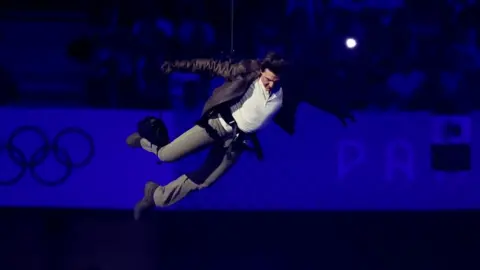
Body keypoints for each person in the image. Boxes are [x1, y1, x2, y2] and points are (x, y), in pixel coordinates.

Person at [127, 52, 354, 220]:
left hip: (235, 141)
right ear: (261, 71)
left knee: (206, 181)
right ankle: (144, 140)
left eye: (274, 82)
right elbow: (210, 65)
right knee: (167, 155)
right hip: (216, 125)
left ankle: (156, 196)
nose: (269, 85)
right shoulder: (246, 71)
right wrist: (177, 64)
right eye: (266, 79)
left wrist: (337, 110)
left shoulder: (286, 91)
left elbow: (313, 96)